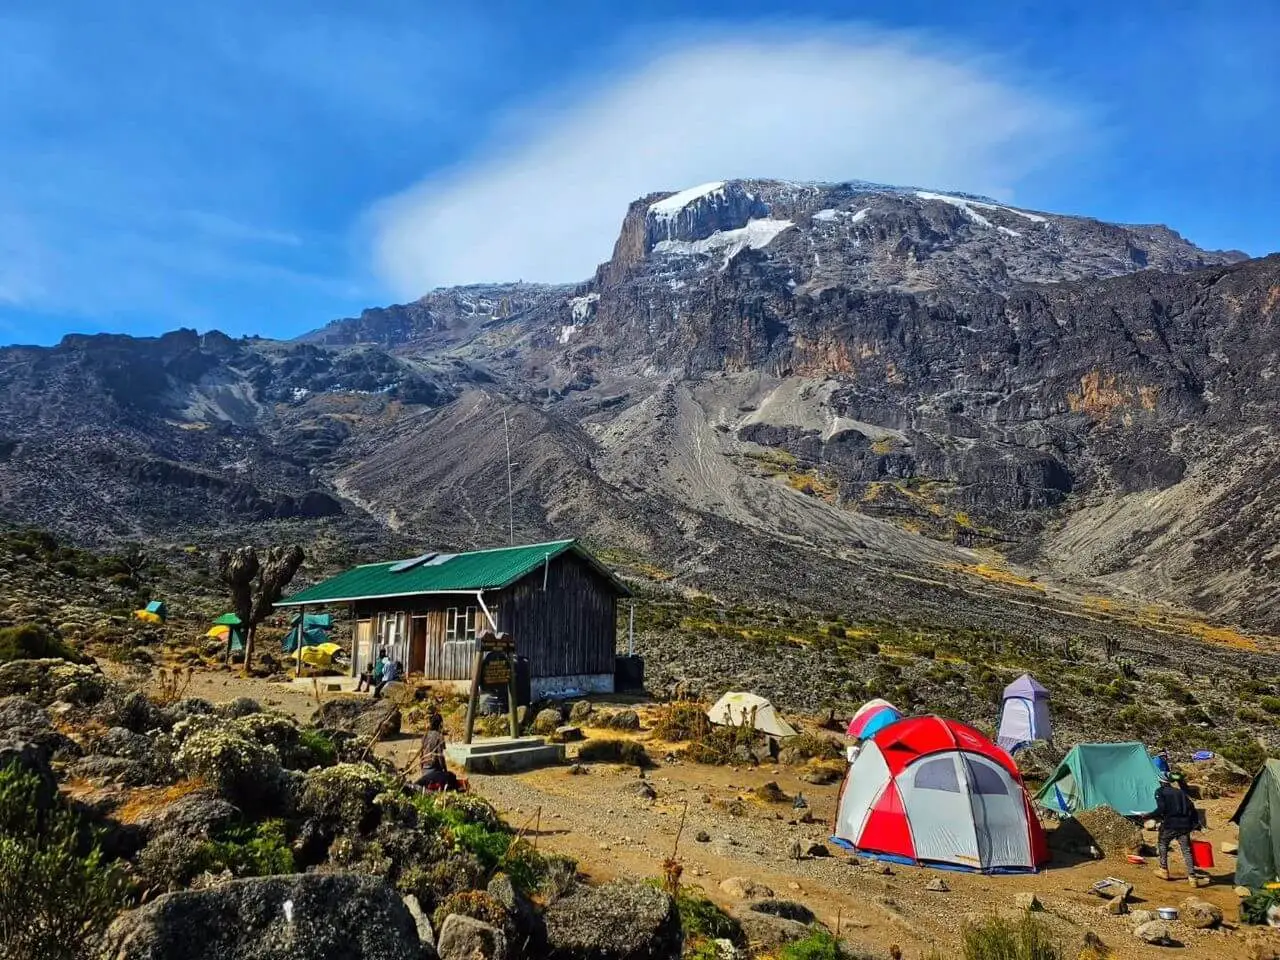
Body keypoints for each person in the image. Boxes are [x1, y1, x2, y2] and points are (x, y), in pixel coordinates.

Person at [1152, 772, 1204, 883]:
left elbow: (1161, 808)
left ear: (1160, 781)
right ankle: (1192, 877)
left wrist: (1148, 815)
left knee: (1162, 843)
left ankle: (1163, 869)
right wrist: (1194, 824)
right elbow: (1191, 807)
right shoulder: (1180, 792)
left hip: (1170, 824)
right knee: (1186, 850)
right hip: (1184, 825)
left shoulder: (1160, 792)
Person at [416, 712, 459, 792]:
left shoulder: (425, 735)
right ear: (440, 724)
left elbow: (421, 754)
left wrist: (422, 767)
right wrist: (445, 770)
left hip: (424, 770)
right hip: (434, 770)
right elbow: (440, 756)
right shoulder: (439, 736)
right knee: (452, 777)